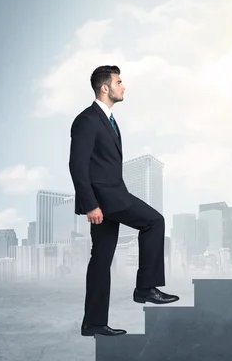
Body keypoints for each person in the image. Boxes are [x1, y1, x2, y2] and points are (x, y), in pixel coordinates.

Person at [69, 65, 179, 337]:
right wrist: (91, 204)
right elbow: (77, 166)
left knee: (101, 259)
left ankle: (93, 323)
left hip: (110, 197)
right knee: (154, 221)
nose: (123, 86)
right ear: (105, 87)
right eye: (119, 82)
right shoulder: (87, 120)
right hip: (108, 200)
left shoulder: (107, 119)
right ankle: (145, 289)